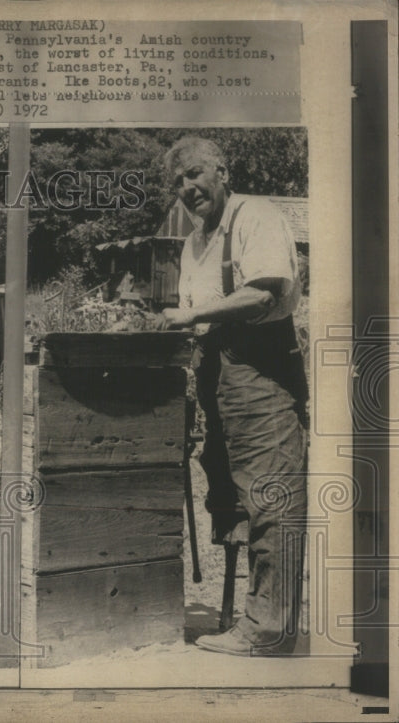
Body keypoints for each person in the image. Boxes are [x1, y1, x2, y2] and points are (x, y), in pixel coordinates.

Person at [157, 136, 308, 656]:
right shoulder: (193, 243)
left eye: (196, 174)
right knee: (233, 501)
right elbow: (190, 318)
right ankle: (245, 617)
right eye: (179, 182)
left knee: (272, 497)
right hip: (215, 377)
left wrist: (195, 315)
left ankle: (269, 631)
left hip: (262, 375)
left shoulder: (256, 216)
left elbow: (264, 292)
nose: (188, 188)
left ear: (222, 171)